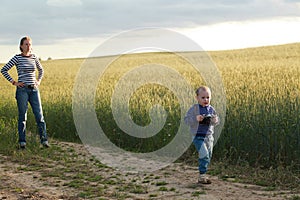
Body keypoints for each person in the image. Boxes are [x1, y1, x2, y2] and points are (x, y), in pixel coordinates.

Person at [1, 36, 49, 149]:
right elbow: (4, 70)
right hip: (22, 90)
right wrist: (14, 82)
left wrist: (39, 81)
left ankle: (44, 140)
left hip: (34, 90)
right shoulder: (17, 58)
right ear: (21, 46)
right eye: (26, 44)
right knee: (23, 116)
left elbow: (41, 70)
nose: (28, 46)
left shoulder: (34, 57)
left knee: (39, 116)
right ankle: (22, 142)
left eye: (30, 44)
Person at [184, 86, 219, 184]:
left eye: (208, 97)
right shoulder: (194, 109)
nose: (206, 100)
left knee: (208, 156)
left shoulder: (211, 109)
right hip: (198, 136)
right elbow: (186, 120)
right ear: (197, 98)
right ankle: (202, 176)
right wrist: (196, 119)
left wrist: (215, 120)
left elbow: (216, 121)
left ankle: (203, 174)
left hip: (209, 137)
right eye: (203, 98)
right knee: (204, 154)